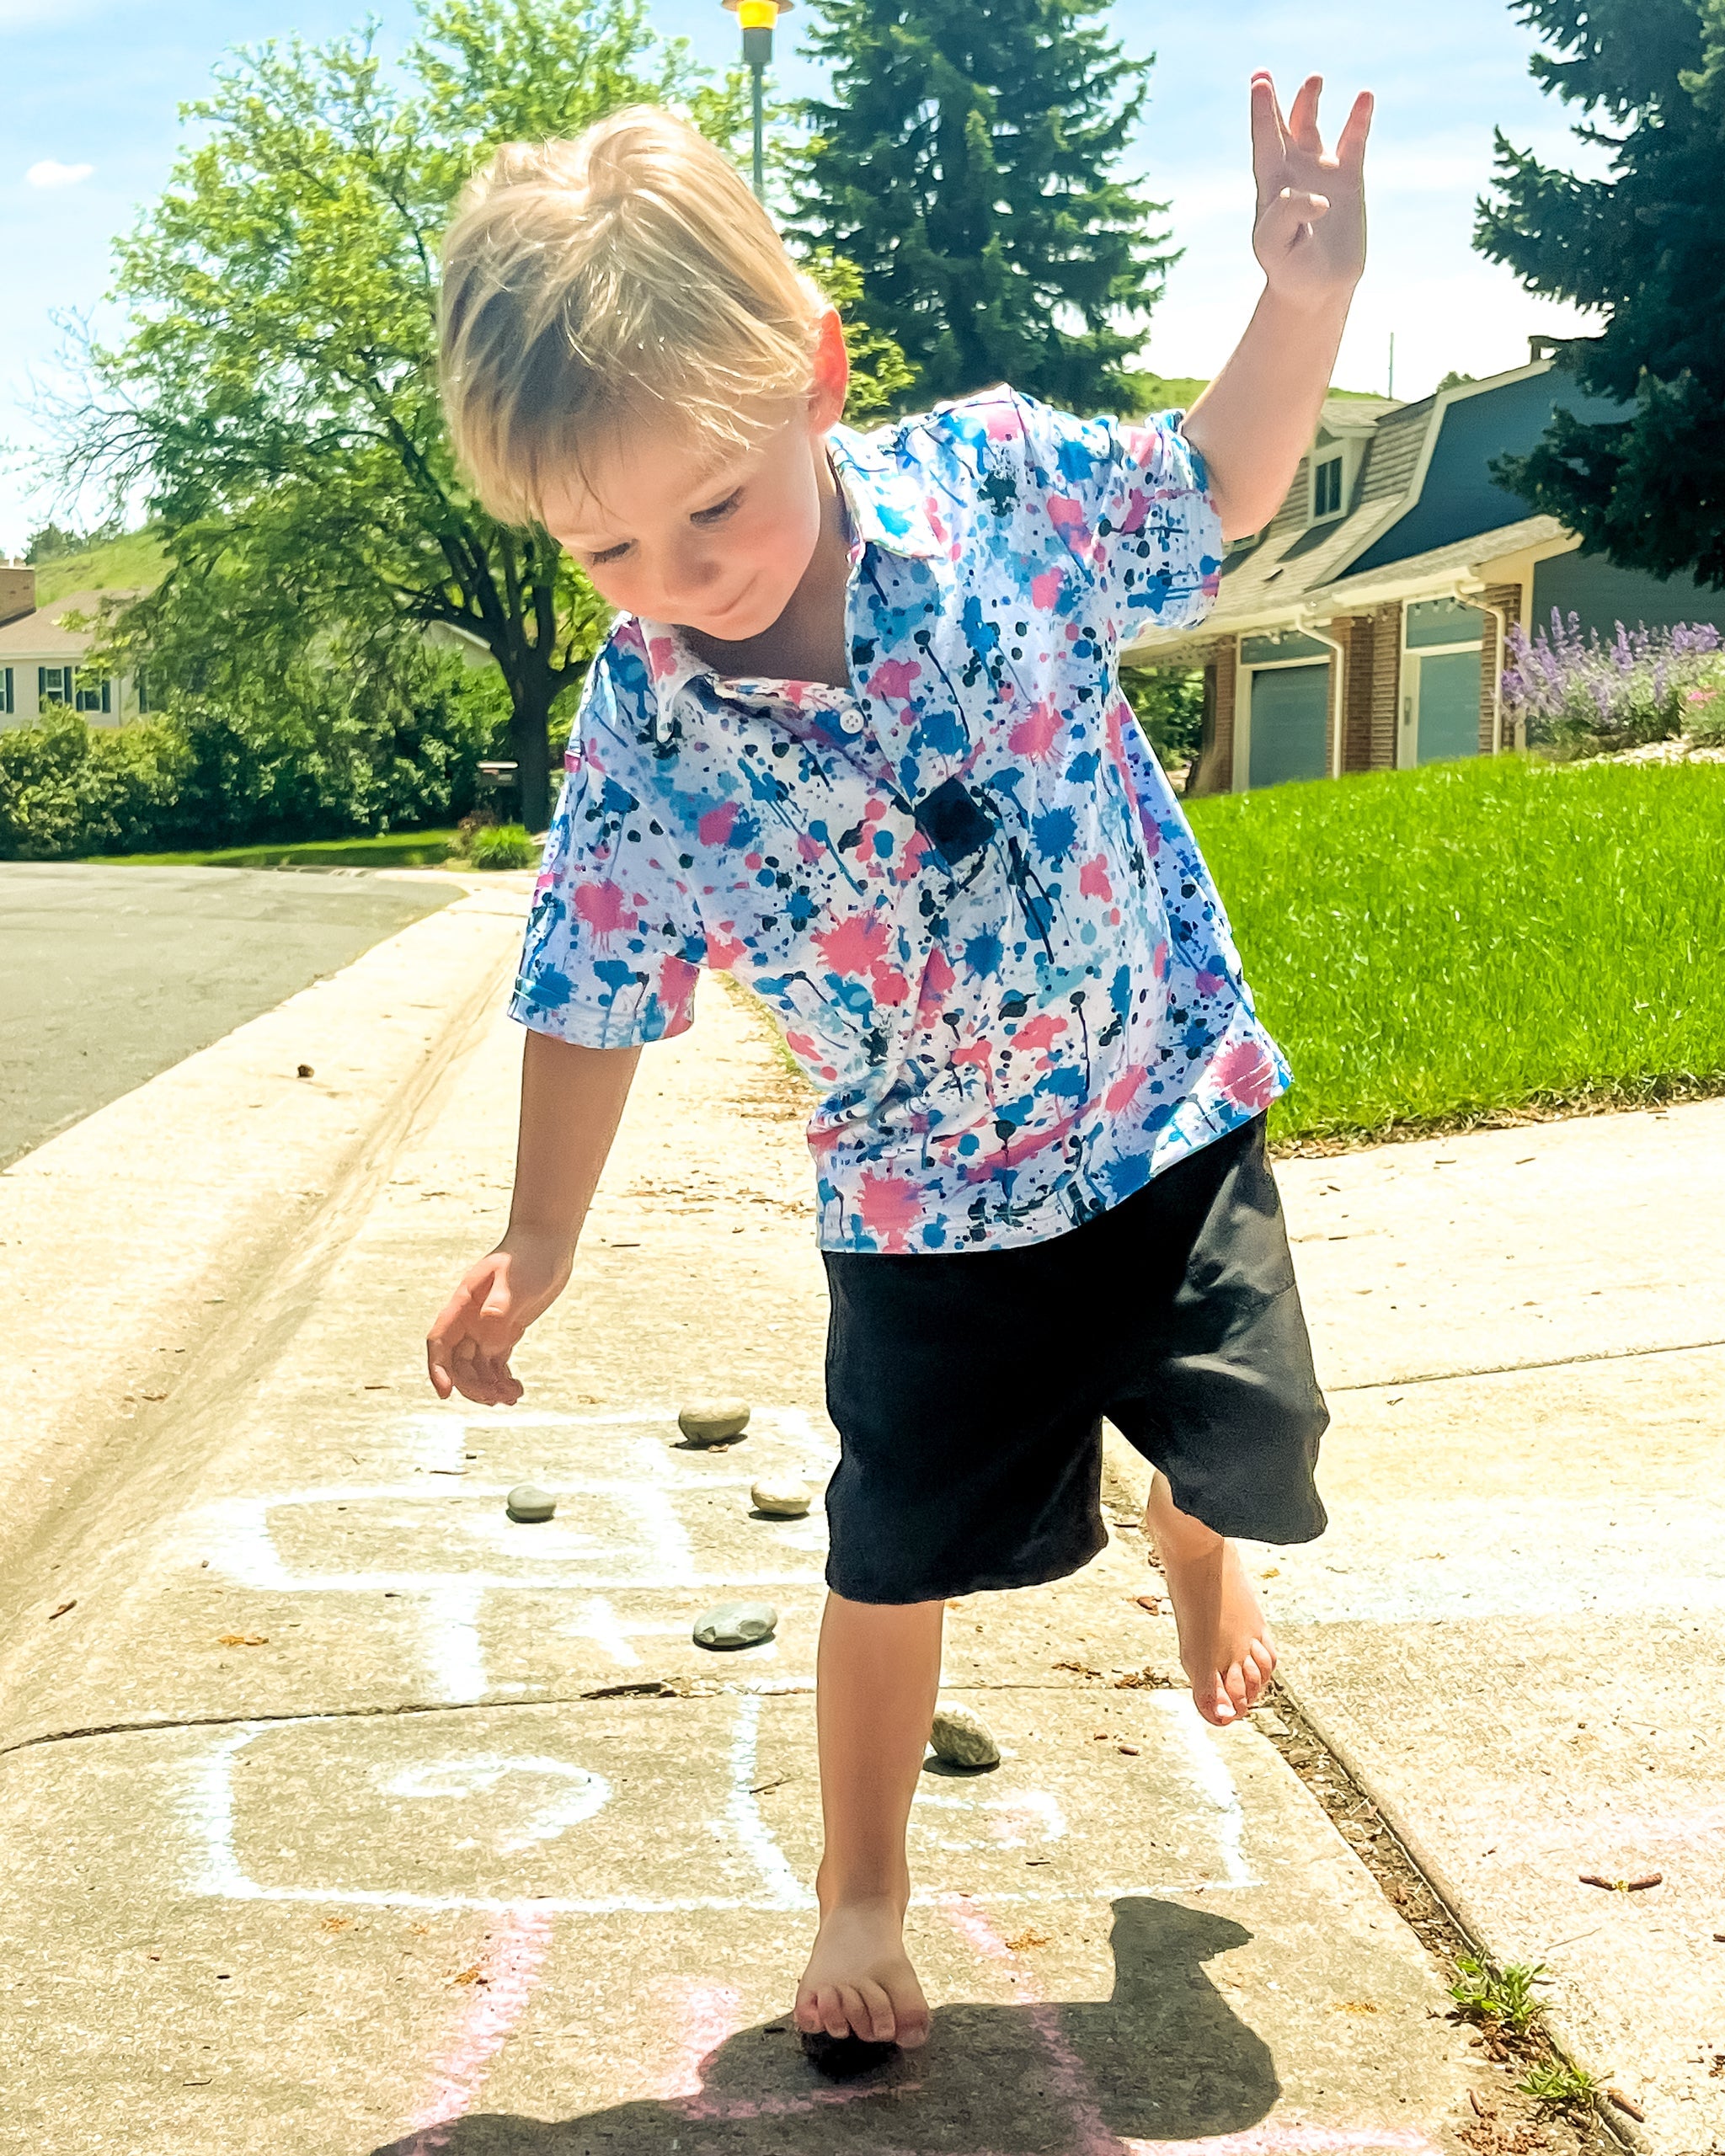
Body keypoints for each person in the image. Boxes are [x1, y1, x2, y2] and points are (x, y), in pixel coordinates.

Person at [426, 72, 1370, 2059]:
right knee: (891, 1542)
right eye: (607, 548)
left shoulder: (1006, 496)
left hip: (1162, 1105)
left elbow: (1212, 487)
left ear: (813, 380)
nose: (683, 577)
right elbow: (592, 975)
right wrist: (537, 1232)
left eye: (712, 507)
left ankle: (1194, 1547)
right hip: (925, 1200)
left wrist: (1294, 308)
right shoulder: (649, 729)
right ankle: (862, 1885)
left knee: (1249, 1448)